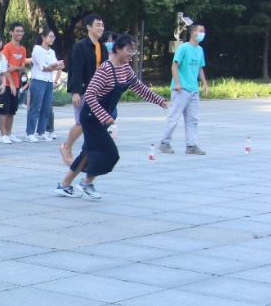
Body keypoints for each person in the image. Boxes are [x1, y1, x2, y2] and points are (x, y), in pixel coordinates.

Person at [56, 34, 167, 199]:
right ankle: (86, 183)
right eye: (129, 50)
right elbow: (90, 94)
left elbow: (139, 87)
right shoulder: (106, 69)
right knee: (110, 152)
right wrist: (103, 116)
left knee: (88, 152)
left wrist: (159, 100)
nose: (131, 54)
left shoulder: (125, 69)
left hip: (102, 117)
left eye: (134, 51)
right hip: (91, 116)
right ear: (118, 49)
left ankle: (65, 185)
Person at [61, 13, 106, 165]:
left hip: (98, 92)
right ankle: (66, 147)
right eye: (98, 25)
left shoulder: (102, 47)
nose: (101, 28)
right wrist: (75, 92)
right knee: (81, 123)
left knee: (94, 124)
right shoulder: (80, 46)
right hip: (84, 90)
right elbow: (76, 70)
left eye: (102, 25)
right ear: (88, 27)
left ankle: (89, 153)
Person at [159, 23, 208, 155]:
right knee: (174, 116)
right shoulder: (183, 48)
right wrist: (177, 83)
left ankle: (191, 145)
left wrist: (204, 82)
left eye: (203, 31)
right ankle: (164, 143)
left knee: (193, 119)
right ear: (192, 33)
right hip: (181, 89)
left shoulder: (200, 50)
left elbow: (200, 68)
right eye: (200, 31)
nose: (202, 33)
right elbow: (174, 66)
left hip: (193, 89)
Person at [25, 28, 64, 142]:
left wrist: (54, 66)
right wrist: (54, 65)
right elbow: (44, 67)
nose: (52, 39)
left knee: (47, 107)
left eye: (53, 37)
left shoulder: (51, 51)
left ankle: (42, 131)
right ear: (43, 37)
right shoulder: (37, 49)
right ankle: (30, 132)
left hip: (48, 81)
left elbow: (57, 66)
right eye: (50, 36)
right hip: (39, 80)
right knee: (35, 107)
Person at [0, 22, 30, 144]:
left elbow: (22, 67)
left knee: (12, 111)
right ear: (11, 32)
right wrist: (10, 83)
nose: (20, 33)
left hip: (16, 84)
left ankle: (9, 133)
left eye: (21, 31)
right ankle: (2, 135)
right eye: (17, 31)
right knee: (4, 110)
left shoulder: (23, 49)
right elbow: (5, 67)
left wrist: (15, 67)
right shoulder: (6, 48)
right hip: (6, 84)